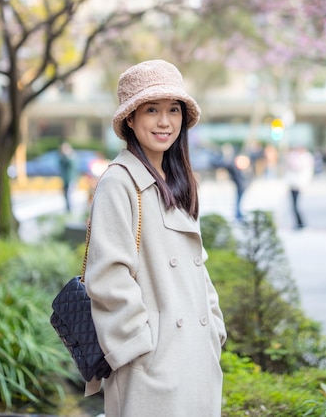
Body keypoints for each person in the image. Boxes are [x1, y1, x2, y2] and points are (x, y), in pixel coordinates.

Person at [84, 60, 227, 417]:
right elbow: (108, 277)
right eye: (152, 110)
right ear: (130, 119)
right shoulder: (120, 182)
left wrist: (214, 330)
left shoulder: (178, 180)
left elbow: (197, 269)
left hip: (195, 357)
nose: (165, 122)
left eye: (173, 110)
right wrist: (140, 347)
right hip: (152, 368)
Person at [285, 146, 315, 229]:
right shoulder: (294, 157)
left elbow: (304, 173)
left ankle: (301, 223)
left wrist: (303, 184)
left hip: (298, 185)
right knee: (293, 206)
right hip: (293, 184)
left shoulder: (305, 159)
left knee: (295, 206)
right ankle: (299, 223)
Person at [58, 142, 76, 212]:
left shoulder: (71, 156)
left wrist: (67, 155)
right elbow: (60, 163)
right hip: (65, 179)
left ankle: (71, 209)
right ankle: (68, 209)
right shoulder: (63, 158)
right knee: (65, 195)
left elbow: (71, 165)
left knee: (70, 195)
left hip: (70, 179)